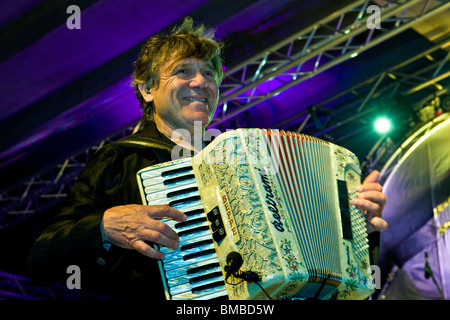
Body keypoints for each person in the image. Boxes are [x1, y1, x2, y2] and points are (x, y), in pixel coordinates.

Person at [27, 17, 387, 300]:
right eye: (183, 71)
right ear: (147, 89)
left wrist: (359, 230)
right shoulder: (120, 161)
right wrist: (104, 227)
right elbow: (42, 260)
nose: (201, 81)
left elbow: (341, 281)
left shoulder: (248, 162)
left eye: (209, 73)